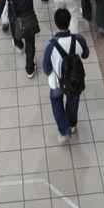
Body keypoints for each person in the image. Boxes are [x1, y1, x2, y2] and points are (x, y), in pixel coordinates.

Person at [42, 8, 90, 144]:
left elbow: (46, 69)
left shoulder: (51, 47)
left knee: (56, 102)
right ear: (69, 22)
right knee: (73, 102)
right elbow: (86, 54)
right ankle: (71, 125)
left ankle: (64, 132)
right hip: (75, 81)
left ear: (56, 24)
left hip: (57, 83)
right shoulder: (79, 40)